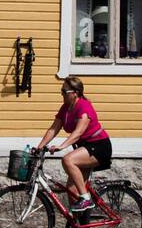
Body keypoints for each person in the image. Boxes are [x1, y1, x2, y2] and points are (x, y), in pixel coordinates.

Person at [36, 76, 111, 213]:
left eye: (64, 91)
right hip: (85, 148)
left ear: (74, 93)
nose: (62, 94)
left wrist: (62, 146)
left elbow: (78, 132)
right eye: (61, 91)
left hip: (99, 146)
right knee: (71, 190)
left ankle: (86, 198)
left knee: (68, 159)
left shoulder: (84, 106)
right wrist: (39, 147)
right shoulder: (65, 108)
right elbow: (54, 129)